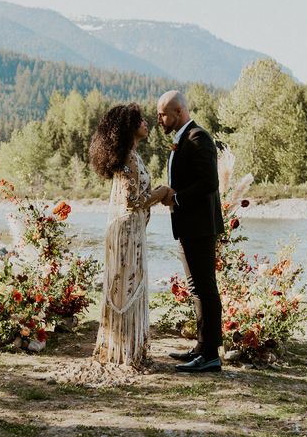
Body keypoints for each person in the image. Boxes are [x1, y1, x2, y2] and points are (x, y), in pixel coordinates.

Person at [89, 103, 168, 366]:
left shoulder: (130, 155)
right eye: (142, 121)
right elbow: (134, 200)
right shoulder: (130, 158)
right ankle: (126, 350)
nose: (147, 124)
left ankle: (122, 347)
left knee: (124, 283)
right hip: (128, 231)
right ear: (131, 127)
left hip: (128, 229)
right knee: (128, 284)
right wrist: (164, 191)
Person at [157, 90, 225, 373]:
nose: (160, 120)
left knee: (205, 288)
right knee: (196, 287)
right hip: (188, 226)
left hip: (200, 226)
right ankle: (201, 347)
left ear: (178, 112)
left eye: (163, 114)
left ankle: (211, 355)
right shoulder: (182, 139)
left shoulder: (199, 137)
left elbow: (209, 183)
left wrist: (176, 197)